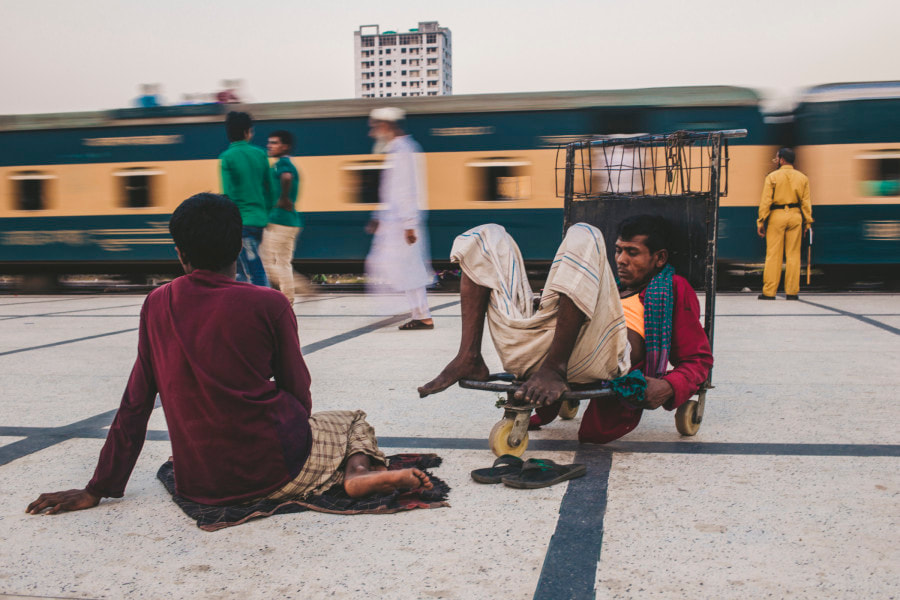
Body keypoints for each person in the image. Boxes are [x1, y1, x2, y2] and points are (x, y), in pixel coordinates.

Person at [26, 193, 432, 516]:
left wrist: (98, 487)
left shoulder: (156, 304)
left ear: (179, 253)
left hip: (199, 480)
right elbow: (299, 393)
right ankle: (357, 472)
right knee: (350, 421)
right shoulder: (269, 304)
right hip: (274, 467)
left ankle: (348, 472)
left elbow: (135, 404)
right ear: (239, 246)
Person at [418, 215, 713, 444]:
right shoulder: (610, 287)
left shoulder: (672, 289)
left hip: (600, 356)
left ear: (659, 258)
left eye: (632, 253)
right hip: (540, 348)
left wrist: (671, 386)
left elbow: (699, 360)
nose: (621, 260)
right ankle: (469, 355)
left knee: (583, 232)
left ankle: (555, 367)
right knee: (487, 236)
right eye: (619, 250)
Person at [365, 107, 435, 330]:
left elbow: (407, 189)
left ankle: (422, 315)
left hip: (402, 223)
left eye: (375, 127)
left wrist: (409, 224)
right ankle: (420, 314)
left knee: (407, 268)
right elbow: (391, 190)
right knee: (406, 268)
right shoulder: (398, 149)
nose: (372, 132)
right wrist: (378, 216)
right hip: (395, 221)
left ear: (386, 126)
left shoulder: (403, 150)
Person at [219, 111, 273, 286]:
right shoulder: (260, 154)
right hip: (259, 221)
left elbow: (228, 193)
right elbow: (270, 189)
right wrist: (267, 213)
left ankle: (264, 306)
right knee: (244, 268)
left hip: (241, 224)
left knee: (251, 267)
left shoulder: (227, 157)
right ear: (246, 132)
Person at [757, 147, 813, 300]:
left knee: (773, 255)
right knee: (793, 255)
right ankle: (792, 292)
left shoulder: (772, 177)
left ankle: (769, 292)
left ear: (782, 159)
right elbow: (806, 202)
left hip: (777, 215)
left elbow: (766, 201)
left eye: (777, 157)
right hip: (795, 216)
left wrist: (761, 220)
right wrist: (808, 223)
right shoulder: (802, 178)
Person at [260, 130, 305, 303]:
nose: (269, 146)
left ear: (285, 147)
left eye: (274, 143)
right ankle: (288, 300)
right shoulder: (289, 163)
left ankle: (304, 287)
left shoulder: (281, 164)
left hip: (279, 220)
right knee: (284, 264)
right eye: (269, 142)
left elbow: (286, 177)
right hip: (291, 221)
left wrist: (283, 198)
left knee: (266, 263)